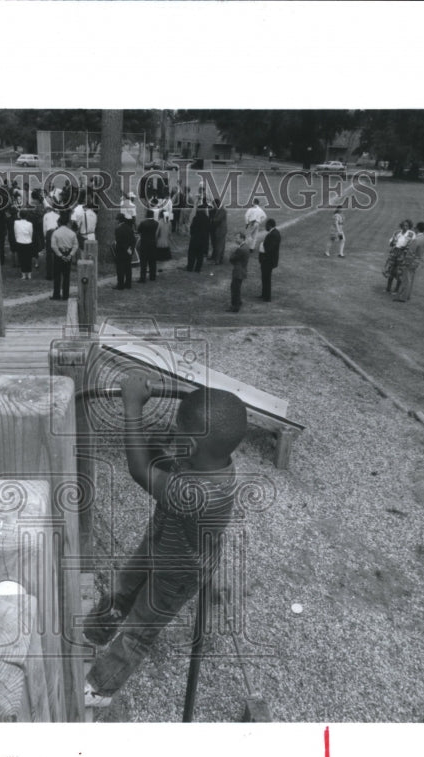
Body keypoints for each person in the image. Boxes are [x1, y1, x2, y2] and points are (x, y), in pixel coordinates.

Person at [82, 375, 248, 708]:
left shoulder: (198, 493)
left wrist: (132, 407)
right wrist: (161, 443)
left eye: (180, 433)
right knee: (125, 585)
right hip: (163, 541)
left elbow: (140, 471)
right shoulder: (211, 459)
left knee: (140, 627)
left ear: (192, 446)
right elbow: (167, 463)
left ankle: (100, 687)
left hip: (179, 572)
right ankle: (95, 632)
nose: (176, 437)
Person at [393, 222, 424, 302]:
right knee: (410, 279)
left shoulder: (416, 240)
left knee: (406, 279)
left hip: (411, 262)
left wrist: (405, 262)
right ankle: (407, 296)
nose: (414, 228)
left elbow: (410, 252)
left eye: (415, 227)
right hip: (417, 261)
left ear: (418, 228)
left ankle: (402, 297)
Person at [50, 212, 79, 300]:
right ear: (67, 223)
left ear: (59, 223)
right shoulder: (72, 233)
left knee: (57, 275)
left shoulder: (56, 233)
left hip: (59, 254)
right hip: (68, 253)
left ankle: (56, 295)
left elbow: (53, 246)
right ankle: (66, 295)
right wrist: (70, 255)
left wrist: (60, 255)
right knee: (66, 276)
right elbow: (75, 245)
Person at [384, 219, 416, 293]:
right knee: (390, 269)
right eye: (403, 225)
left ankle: (396, 290)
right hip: (394, 252)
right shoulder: (397, 232)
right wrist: (392, 243)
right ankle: (388, 289)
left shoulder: (411, 234)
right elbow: (391, 242)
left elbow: (412, 244)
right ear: (401, 225)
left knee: (400, 272)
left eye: (407, 225)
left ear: (409, 226)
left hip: (403, 254)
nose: (405, 227)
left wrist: (405, 248)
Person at [184, 201, 210, 273]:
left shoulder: (196, 218)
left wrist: (192, 234)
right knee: (200, 255)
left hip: (195, 239)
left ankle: (190, 267)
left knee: (192, 254)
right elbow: (208, 229)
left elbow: (192, 228)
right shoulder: (207, 218)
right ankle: (197, 269)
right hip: (203, 239)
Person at [258, 218, 281, 301]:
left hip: (268, 260)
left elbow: (269, 248)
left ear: (269, 225)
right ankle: (264, 294)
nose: (265, 227)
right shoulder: (275, 233)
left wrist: (262, 246)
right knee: (265, 278)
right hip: (268, 260)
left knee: (266, 278)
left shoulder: (273, 234)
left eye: (266, 226)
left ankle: (267, 297)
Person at [227, 232, 250, 313]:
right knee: (237, 288)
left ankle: (235, 306)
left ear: (242, 238)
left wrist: (232, 253)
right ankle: (238, 302)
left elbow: (231, 259)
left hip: (238, 271)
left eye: (237, 238)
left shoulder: (240, 249)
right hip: (242, 270)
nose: (235, 239)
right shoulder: (246, 246)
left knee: (234, 288)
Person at [113, 214, 136, 290]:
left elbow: (119, 242)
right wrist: (131, 249)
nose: (116, 221)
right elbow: (133, 240)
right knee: (128, 268)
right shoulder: (129, 228)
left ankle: (120, 284)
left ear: (119, 220)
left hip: (120, 251)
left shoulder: (118, 229)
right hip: (128, 250)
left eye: (117, 219)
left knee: (120, 268)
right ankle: (128, 283)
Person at [137, 210, 159, 282]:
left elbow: (138, 231)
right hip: (153, 243)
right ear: (152, 215)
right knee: (152, 261)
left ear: (146, 215)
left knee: (143, 262)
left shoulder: (143, 223)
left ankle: (143, 278)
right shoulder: (156, 223)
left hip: (144, 244)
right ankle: (152, 276)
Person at [13, 209, 35, 279]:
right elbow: (31, 233)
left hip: (20, 241)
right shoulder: (30, 224)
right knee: (28, 258)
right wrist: (29, 239)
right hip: (28, 242)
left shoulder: (16, 222)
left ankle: (23, 274)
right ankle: (29, 274)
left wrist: (18, 239)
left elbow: (15, 233)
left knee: (21, 258)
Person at [42, 204, 60, 282]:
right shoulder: (58, 215)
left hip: (49, 232)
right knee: (56, 253)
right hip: (56, 232)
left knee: (49, 254)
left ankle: (49, 274)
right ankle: (57, 273)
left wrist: (45, 237)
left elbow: (44, 227)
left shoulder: (46, 215)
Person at [208, 198, 228, 264]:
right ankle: (214, 256)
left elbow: (217, 219)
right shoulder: (217, 209)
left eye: (214, 205)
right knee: (214, 244)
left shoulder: (222, 210)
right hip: (215, 230)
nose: (213, 206)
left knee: (219, 245)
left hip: (220, 230)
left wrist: (211, 219)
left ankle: (218, 260)